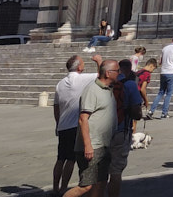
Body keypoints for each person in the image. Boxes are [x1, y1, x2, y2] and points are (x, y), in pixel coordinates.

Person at [63, 58, 118, 197]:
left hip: (104, 144)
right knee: (86, 185)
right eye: (117, 71)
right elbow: (83, 119)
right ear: (108, 73)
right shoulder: (92, 90)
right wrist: (87, 145)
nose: (119, 73)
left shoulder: (108, 89)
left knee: (101, 182)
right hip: (92, 146)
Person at [53, 54, 94, 197]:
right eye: (83, 63)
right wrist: (98, 61)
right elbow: (103, 74)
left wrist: (57, 124)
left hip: (63, 126)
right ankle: (64, 188)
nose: (84, 65)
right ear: (79, 67)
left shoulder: (60, 83)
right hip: (74, 126)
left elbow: (56, 107)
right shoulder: (81, 79)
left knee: (60, 158)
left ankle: (55, 188)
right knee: (71, 159)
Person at [108, 58, 143, 197]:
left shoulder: (106, 83)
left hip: (102, 130)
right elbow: (136, 112)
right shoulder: (130, 85)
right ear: (129, 69)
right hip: (121, 130)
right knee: (116, 171)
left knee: (101, 171)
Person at [147, 36, 173, 119]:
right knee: (168, 94)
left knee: (160, 92)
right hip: (171, 72)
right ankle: (164, 113)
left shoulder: (165, 48)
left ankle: (151, 111)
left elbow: (160, 61)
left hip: (163, 72)